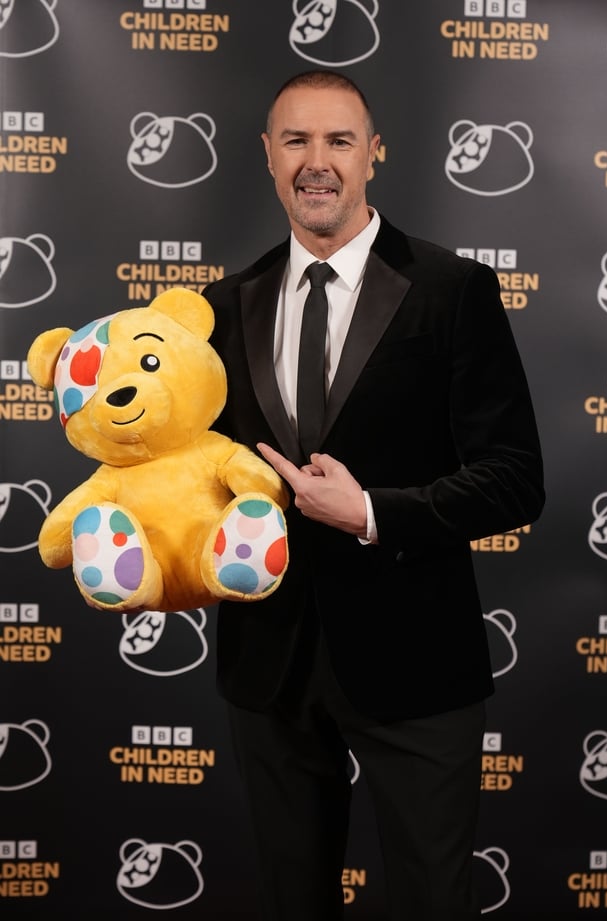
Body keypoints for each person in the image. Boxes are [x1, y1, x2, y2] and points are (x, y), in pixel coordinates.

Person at [203, 70, 545, 921]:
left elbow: (514, 478)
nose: (317, 162)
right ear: (268, 156)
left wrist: (368, 513)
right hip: (269, 666)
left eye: (339, 141)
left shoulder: (451, 290)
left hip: (417, 665)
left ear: (374, 155)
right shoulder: (221, 303)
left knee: (433, 899)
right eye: (296, 140)